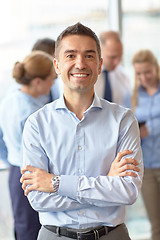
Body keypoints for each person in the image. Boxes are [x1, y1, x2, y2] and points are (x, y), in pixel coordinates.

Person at [20, 23, 143, 240]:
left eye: (89, 56)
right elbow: (38, 199)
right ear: (57, 65)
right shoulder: (36, 124)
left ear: (99, 64)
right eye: (70, 56)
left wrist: (56, 183)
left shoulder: (123, 120)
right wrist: (106, 184)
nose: (80, 64)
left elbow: (128, 191)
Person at [0, 50, 56, 240]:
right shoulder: (31, 114)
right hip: (30, 176)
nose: (53, 84)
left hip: (16, 170)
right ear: (38, 81)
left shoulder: (11, 98)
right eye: (51, 79)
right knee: (31, 231)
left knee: (24, 228)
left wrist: (10, 159)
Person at [132, 49, 160, 240]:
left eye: (147, 72)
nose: (144, 77)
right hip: (147, 168)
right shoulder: (133, 96)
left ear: (155, 68)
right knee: (156, 225)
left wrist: (151, 126)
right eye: (139, 73)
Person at [94, 30, 131, 106]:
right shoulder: (88, 76)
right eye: (112, 57)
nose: (117, 62)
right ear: (99, 51)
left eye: (120, 56)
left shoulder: (123, 77)